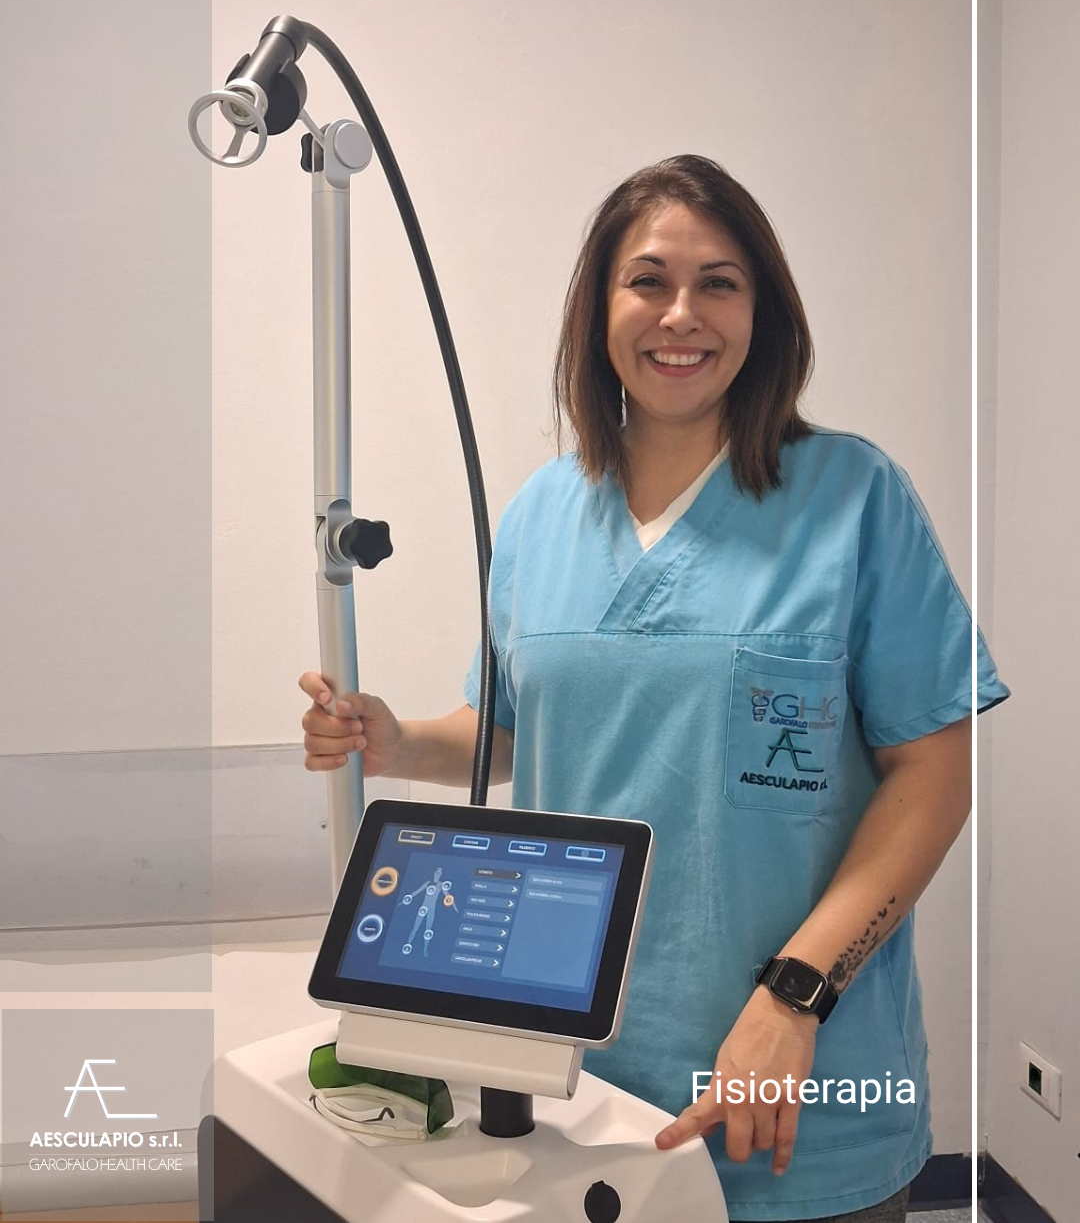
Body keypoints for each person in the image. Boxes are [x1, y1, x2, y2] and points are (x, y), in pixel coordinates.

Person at [299, 155, 1008, 1223]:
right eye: (649, 281)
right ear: (601, 311)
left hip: (798, 1085)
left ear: (763, 313)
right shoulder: (541, 515)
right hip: (581, 1086)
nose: (683, 315)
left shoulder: (854, 499)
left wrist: (796, 994)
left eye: (719, 283)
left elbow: (934, 777)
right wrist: (396, 742)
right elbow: (512, 734)